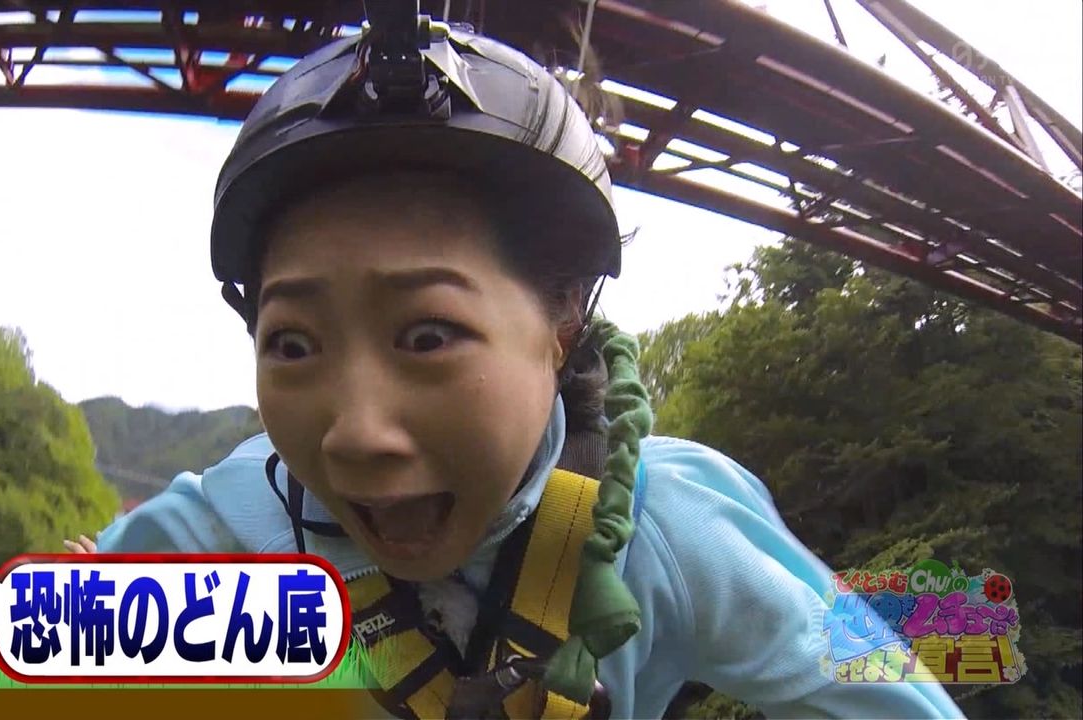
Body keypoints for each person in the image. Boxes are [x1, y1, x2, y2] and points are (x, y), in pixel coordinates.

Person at [72, 14, 966, 720]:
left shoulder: (676, 530)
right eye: (293, 345)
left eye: (428, 336)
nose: (354, 435)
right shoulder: (229, 526)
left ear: (562, 321)